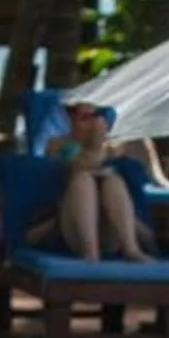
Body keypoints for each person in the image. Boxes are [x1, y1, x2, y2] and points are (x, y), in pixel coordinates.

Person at [35, 98, 153, 262]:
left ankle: (131, 249)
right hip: (74, 227)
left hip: (111, 232)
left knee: (113, 181)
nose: (88, 123)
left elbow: (143, 161)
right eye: (83, 117)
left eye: (93, 117)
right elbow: (79, 163)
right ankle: (91, 252)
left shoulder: (113, 146)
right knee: (83, 180)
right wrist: (95, 144)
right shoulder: (57, 144)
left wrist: (102, 141)